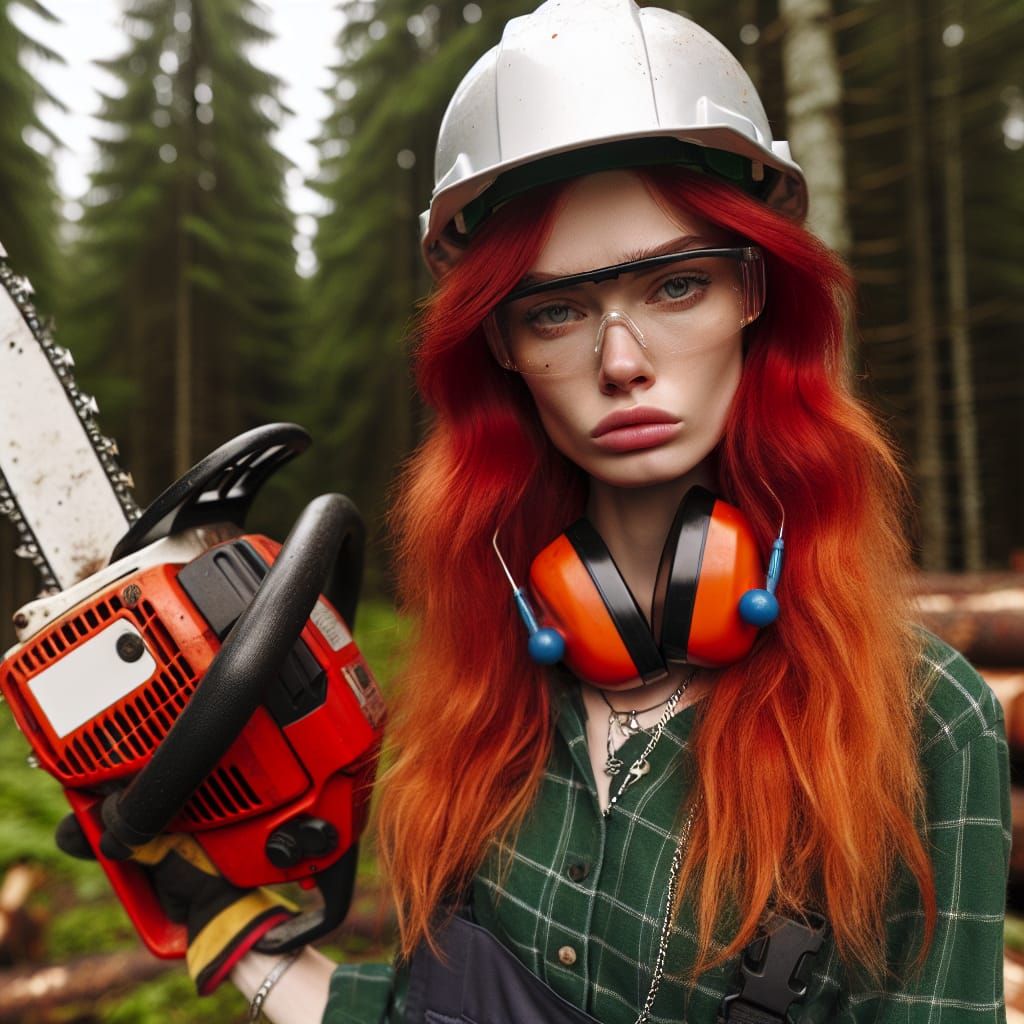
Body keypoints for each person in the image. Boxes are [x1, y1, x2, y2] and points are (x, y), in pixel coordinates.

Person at [107, 2, 1013, 1022]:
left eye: (676, 286)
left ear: (758, 297)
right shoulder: (479, 686)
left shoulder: (921, 719)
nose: (620, 362)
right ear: (499, 348)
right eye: (555, 309)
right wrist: (227, 924)